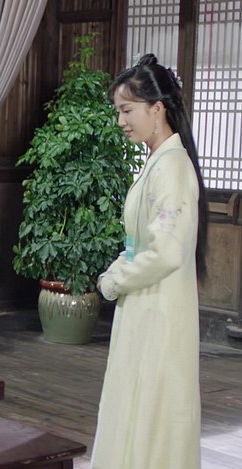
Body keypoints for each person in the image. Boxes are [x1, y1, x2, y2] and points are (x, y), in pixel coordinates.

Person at [93, 54, 207, 469]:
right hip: (144, 302)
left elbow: (167, 251)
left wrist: (115, 280)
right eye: (118, 112)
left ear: (157, 109)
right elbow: (140, 243)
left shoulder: (172, 167)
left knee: (153, 408)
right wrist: (118, 267)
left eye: (127, 110)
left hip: (159, 309)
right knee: (138, 403)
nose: (121, 121)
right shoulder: (156, 163)